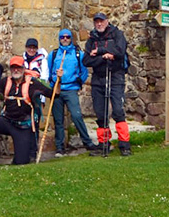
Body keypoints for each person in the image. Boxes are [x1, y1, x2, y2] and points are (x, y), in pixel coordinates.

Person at [0, 56, 53, 167]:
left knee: (21, 161)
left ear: (23, 68)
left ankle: (21, 156)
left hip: (23, 126)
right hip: (7, 121)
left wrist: (59, 81)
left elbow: (53, 93)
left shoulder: (33, 83)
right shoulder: (5, 82)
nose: (16, 70)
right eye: (13, 68)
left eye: (18, 67)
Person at [83, 13, 132, 157]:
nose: (99, 24)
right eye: (96, 22)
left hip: (115, 76)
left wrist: (100, 51)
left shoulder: (117, 34)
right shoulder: (92, 38)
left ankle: (124, 144)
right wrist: (104, 58)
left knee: (117, 110)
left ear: (107, 21)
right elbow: (86, 61)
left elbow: (120, 52)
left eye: (101, 21)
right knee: (100, 113)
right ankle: (104, 144)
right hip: (98, 78)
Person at [48, 28, 97, 156]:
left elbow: (84, 71)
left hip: (71, 89)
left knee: (76, 116)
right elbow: (49, 72)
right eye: (62, 37)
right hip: (58, 89)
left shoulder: (77, 54)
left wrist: (78, 82)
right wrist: (55, 79)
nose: (65, 39)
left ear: (71, 39)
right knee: (58, 120)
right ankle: (59, 147)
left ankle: (87, 142)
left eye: (67, 37)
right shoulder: (53, 54)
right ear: (59, 39)